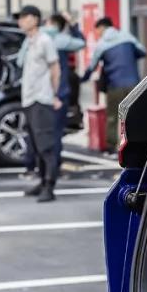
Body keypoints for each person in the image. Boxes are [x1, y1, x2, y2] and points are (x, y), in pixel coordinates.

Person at [16, 4, 62, 202]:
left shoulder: (45, 40)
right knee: (35, 146)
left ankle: (49, 187)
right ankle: (42, 182)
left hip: (41, 99)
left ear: (35, 19)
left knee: (46, 146)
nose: (20, 21)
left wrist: (54, 95)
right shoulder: (29, 42)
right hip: (29, 99)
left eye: (24, 17)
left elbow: (55, 69)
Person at [82, 16, 146, 150]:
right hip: (134, 85)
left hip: (114, 86)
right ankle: (136, 145)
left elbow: (92, 66)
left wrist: (83, 78)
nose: (97, 34)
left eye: (97, 31)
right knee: (133, 116)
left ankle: (111, 147)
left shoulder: (101, 44)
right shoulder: (127, 36)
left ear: (101, 28)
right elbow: (142, 52)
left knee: (112, 117)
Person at [44, 13, 85, 174]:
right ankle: (53, 166)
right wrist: (73, 25)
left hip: (41, 94)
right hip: (60, 93)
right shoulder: (62, 40)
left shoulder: (38, 38)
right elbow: (81, 43)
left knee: (41, 132)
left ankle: (39, 167)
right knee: (56, 131)